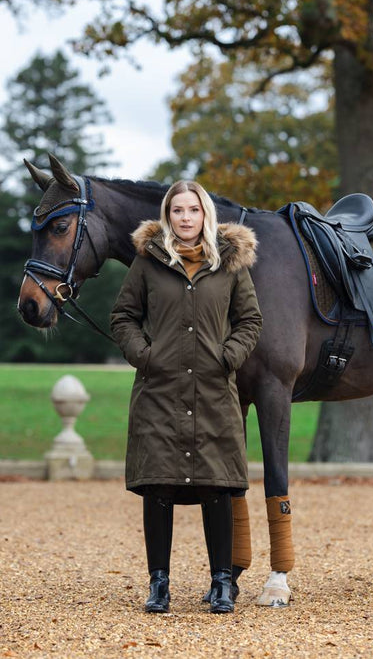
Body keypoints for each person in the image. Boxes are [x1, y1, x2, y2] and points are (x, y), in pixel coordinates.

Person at [110, 180, 262, 614]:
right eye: (177, 210)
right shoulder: (148, 263)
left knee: (218, 487)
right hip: (159, 391)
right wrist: (145, 354)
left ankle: (222, 584)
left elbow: (250, 319)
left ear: (205, 215)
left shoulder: (230, 265)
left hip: (214, 390)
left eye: (193, 210)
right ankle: (159, 584)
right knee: (158, 486)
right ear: (167, 215)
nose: (185, 218)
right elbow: (123, 316)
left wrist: (227, 356)